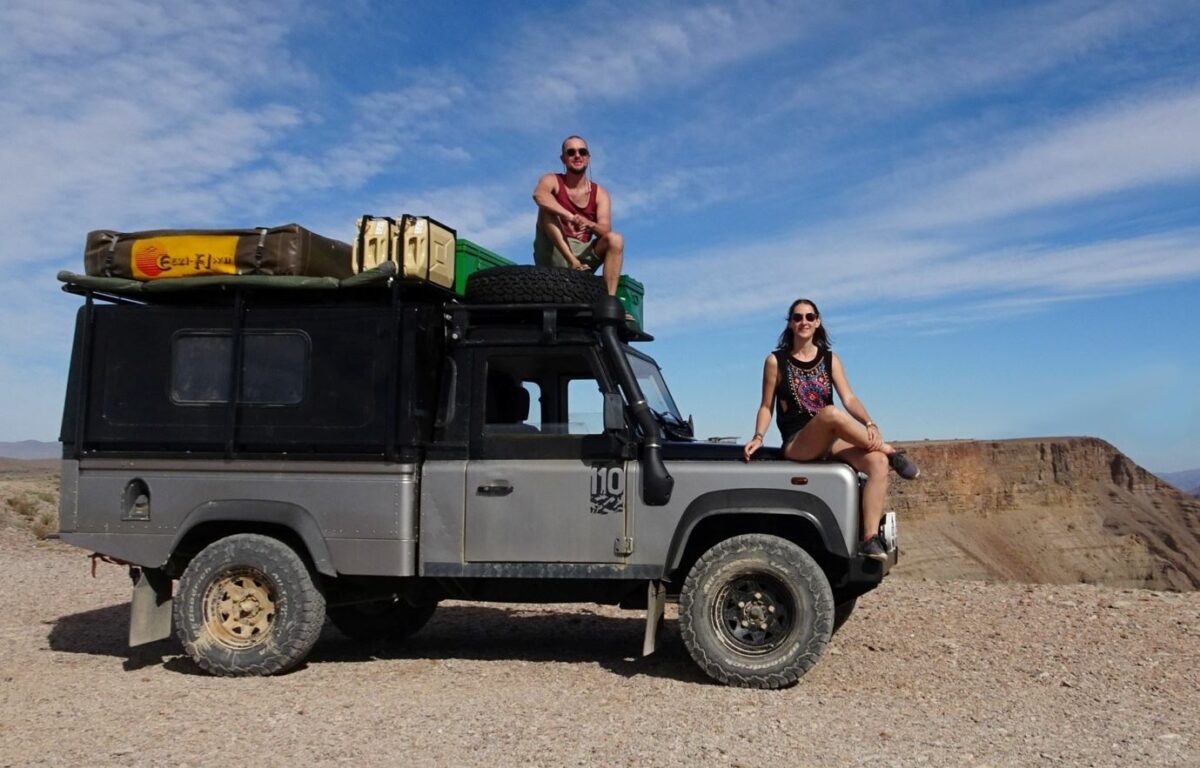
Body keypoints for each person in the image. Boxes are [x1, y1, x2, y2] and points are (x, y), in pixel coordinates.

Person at [743, 298, 920, 561]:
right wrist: (758, 436)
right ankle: (892, 450)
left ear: (818, 322)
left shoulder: (830, 359)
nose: (804, 322)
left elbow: (849, 398)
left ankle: (870, 539)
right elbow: (766, 406)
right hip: (798, 443)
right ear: (790, 323)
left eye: (809, 317)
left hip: (831, 440)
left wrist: (870, 423)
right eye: (798, 317)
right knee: (829, 413)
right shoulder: (775, 361)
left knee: (877, 463)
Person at [532, 135, 624, 296]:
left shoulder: (600, 193)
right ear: (563, 158)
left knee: (615, 239)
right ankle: (573, 262)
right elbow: (539, 196)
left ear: (588, 158)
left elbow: (605, 230)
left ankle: (610, 300)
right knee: (545, 209)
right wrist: (569, 216)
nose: (577, 156)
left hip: (583, 253)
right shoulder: (551, 179)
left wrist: (588, 223)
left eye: (582, 152)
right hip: (553, 251)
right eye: (571, 152)